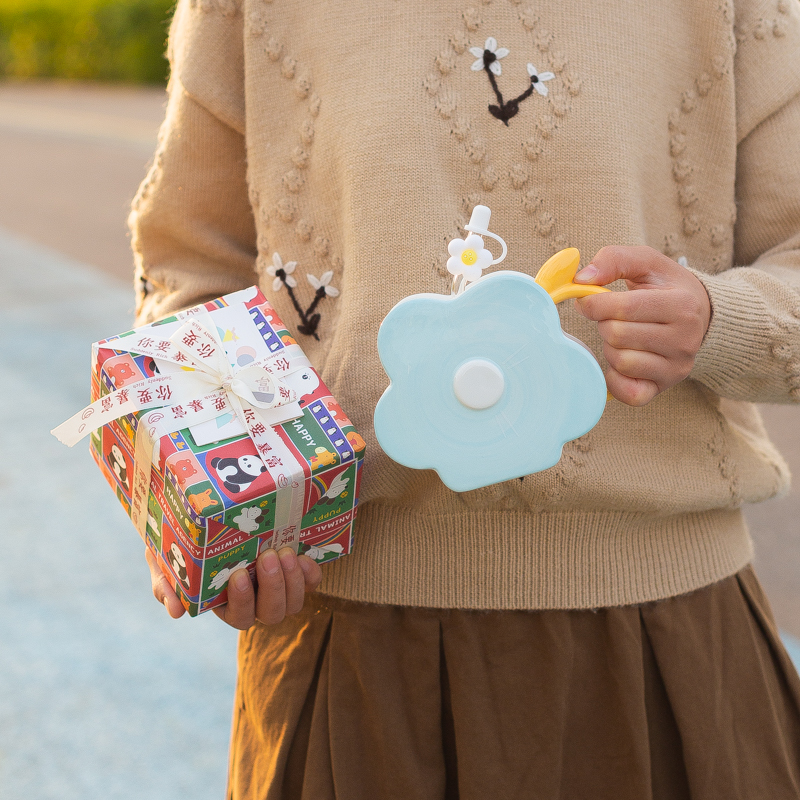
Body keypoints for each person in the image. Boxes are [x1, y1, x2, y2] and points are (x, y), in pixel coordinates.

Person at [131, 0, 800, 796]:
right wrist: (212, 511)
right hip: (349, 648)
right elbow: (187, 276)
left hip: (669, 650)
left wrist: (718, 320)